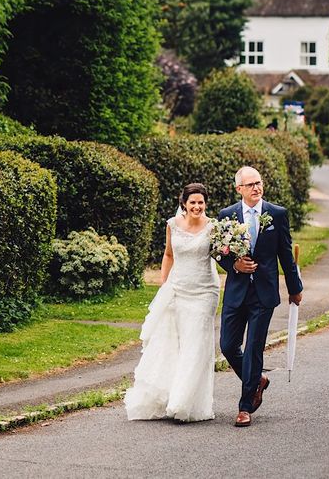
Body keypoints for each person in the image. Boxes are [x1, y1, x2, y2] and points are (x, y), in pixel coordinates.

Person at [125, 183, 220, 422]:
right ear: (184, 204)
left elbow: (223, 257)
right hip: (177, 289)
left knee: (196, 345)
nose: (197, 206)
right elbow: (168, 255)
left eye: (201, 202)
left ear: (205, 203)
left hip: (204, 292)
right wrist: (164, 284)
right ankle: (167, 394)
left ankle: (183, 402)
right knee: (172, 344)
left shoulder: (214, 227)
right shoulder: (172, 225)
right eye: (193, 202)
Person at [218, 166, 303, 428]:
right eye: (250, 184)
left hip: (264, 293)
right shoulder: (227, 215)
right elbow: (218, 252)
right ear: (239, 189)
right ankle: (257, 381)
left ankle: (245, 408)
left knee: (254, 347)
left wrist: (294, 287)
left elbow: (286, 254)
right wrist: (234, 265)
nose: (256, 188)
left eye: (259, 183)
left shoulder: (276, 214)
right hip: (236, 292)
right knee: (227, 345)